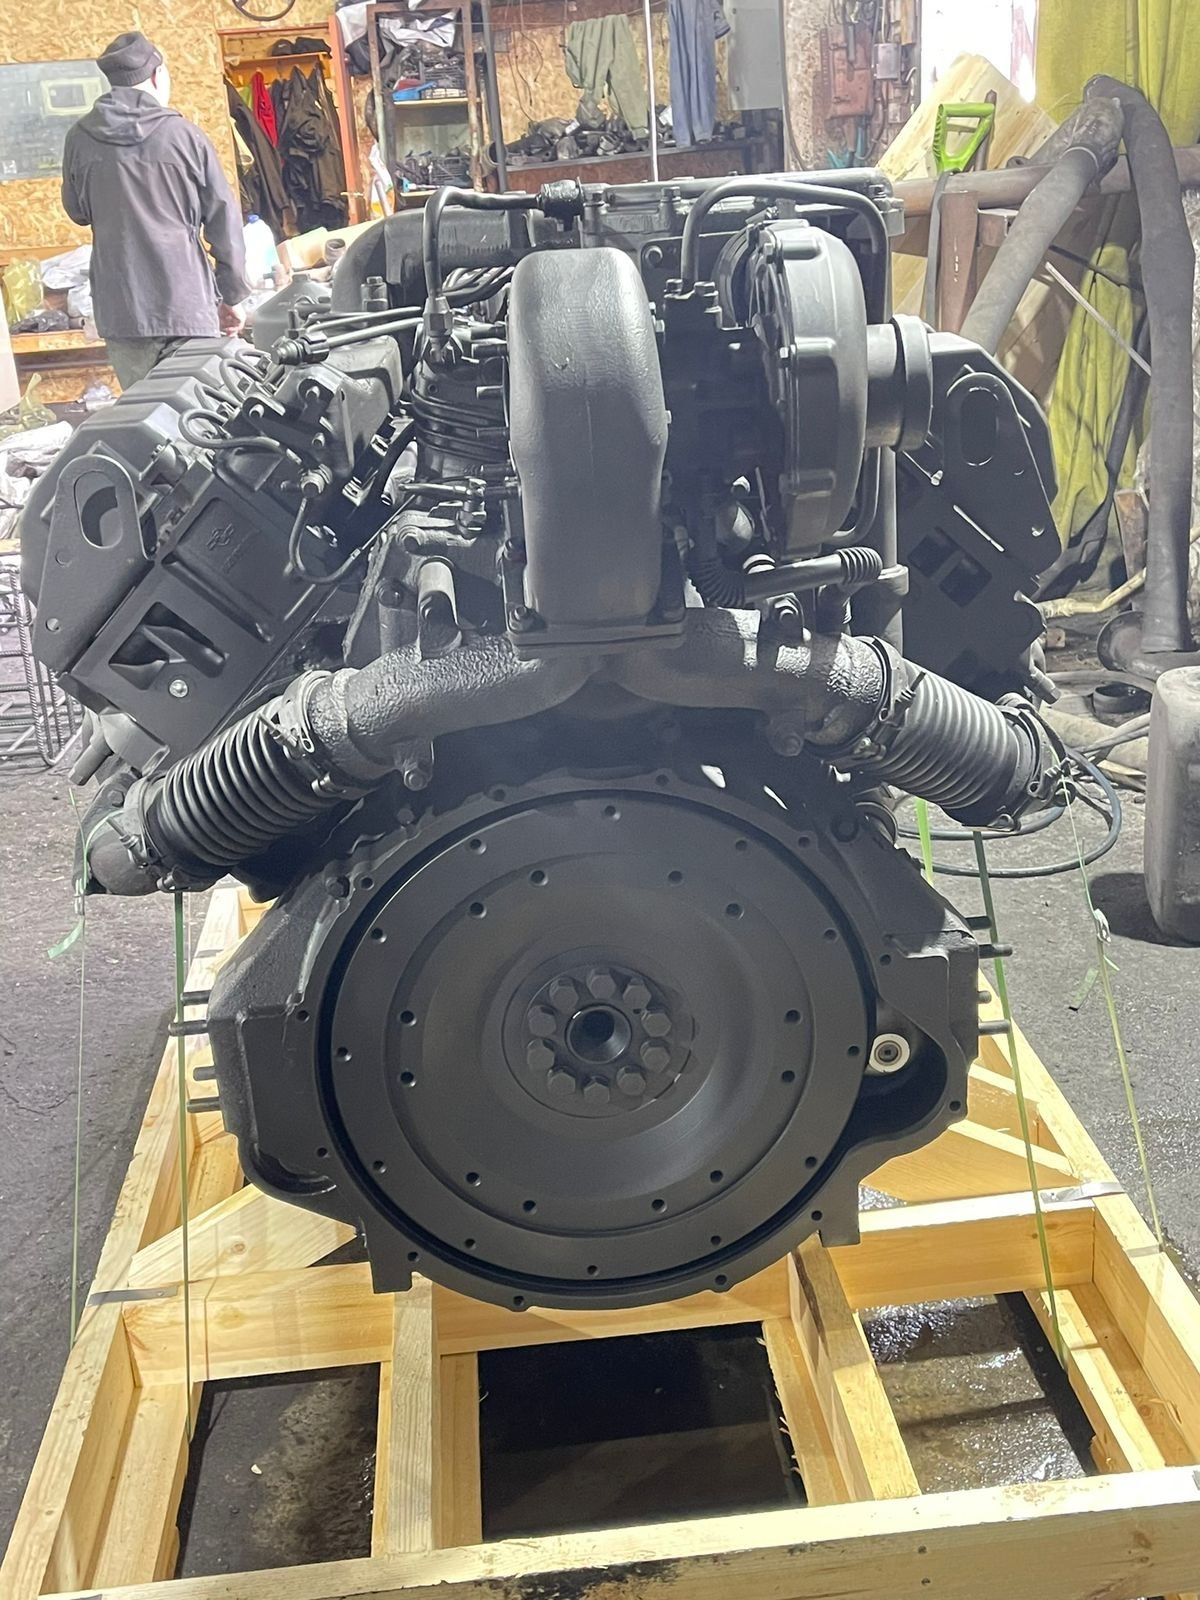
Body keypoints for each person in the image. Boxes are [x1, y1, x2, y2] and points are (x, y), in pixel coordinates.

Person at [61, 31, 250, 390]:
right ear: (157, 75)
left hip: (122, 309)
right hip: (186, 304)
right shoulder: (185, 136)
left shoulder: (79, 138)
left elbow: (77, 211)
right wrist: (232, 295)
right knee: (199, 414)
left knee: (144, 418)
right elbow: (223, 219)